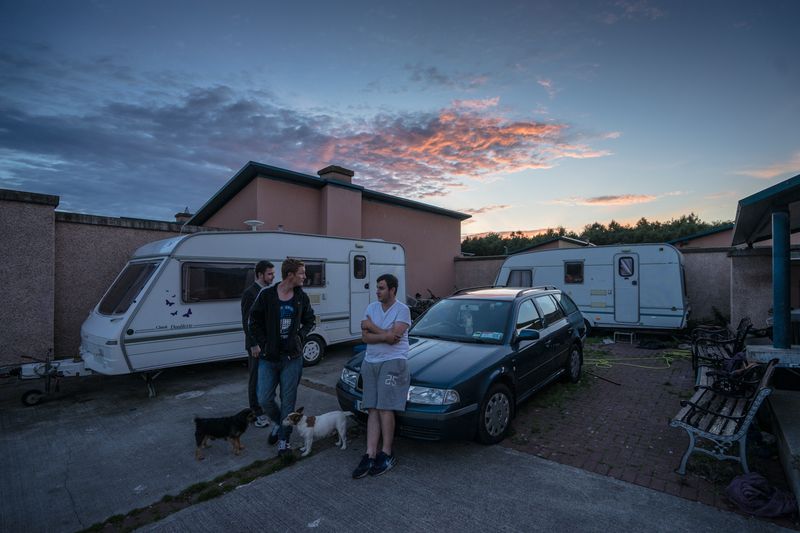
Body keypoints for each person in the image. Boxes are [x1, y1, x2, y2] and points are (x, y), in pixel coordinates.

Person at [248, 258, 315, 456]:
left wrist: (299, 337)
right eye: (302, 273)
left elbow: (310, 320)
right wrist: (263, 343)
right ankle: (279, 422)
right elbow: (253, 321)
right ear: (290, 275)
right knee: (264, 399)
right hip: (269, 358)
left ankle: (284, 441)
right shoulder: (267, 295)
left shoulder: (301, 297)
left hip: (292, 358)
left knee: (288, 401)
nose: (305, 276)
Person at [352, 273, 411, 478]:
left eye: (382, 288)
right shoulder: (371, 308)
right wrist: (384, 334)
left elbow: (394, 340)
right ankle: (370, 453)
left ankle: (386, 453)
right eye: (377, 287)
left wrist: (375, 329)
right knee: (372, 408)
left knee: (386, 408)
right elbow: (365, 337)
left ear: (393, 290)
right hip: (371, 362)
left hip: (393, 361)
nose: (377, 291)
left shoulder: (402, 310)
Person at [240, 260, 275, 428]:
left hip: (268, 344)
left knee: (268, 377)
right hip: (256, 345)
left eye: (273, 273)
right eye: (269, 274)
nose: (273, 276)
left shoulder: (268, 291)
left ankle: (266, 406)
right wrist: (253, 344)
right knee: (255, 379)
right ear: (260, 274)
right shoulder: (250, 293)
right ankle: (256, 412)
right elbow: (247, 321)